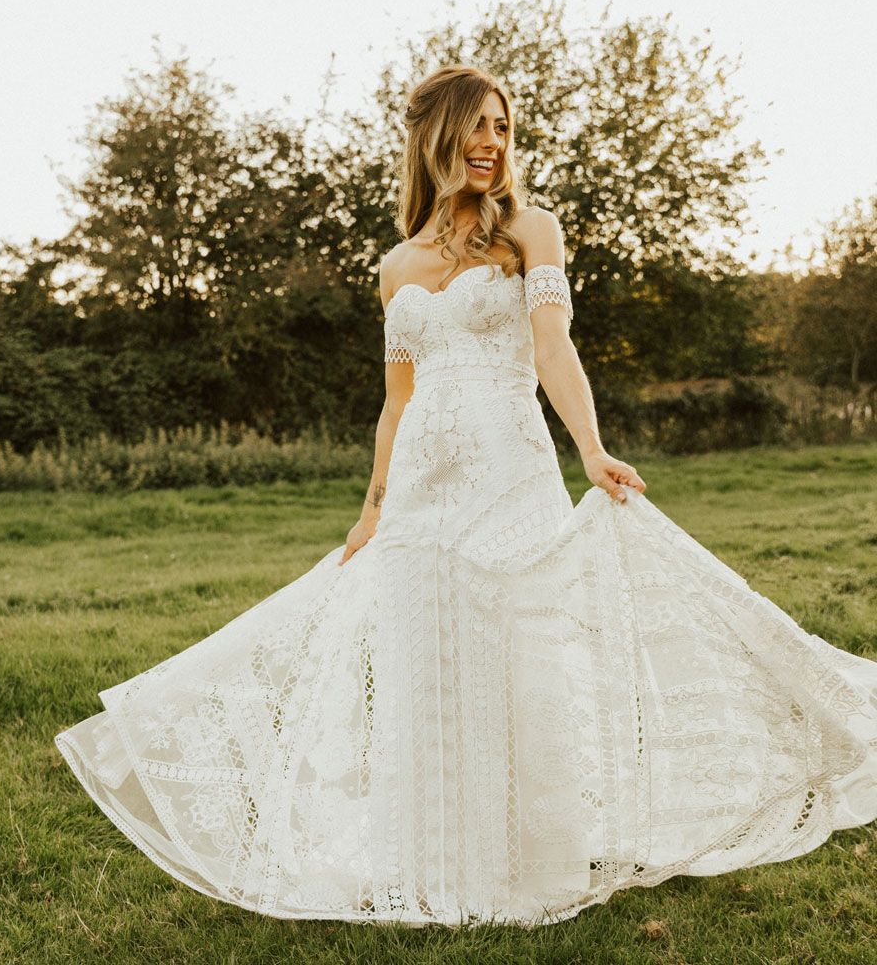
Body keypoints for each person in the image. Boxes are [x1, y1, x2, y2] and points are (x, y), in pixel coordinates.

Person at [54, 64, 877, 929]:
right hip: (421, 490)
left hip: (510, 473)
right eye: (478, 125)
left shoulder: (531, 231)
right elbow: (396, 401)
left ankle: (533, 866)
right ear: (435, 135)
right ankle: (429, 867)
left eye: (502, 127)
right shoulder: (396, 265)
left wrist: (591, 450)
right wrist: (374, 508)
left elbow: (553, 348)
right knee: (422, 670)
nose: (493, 142)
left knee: (521, 659)